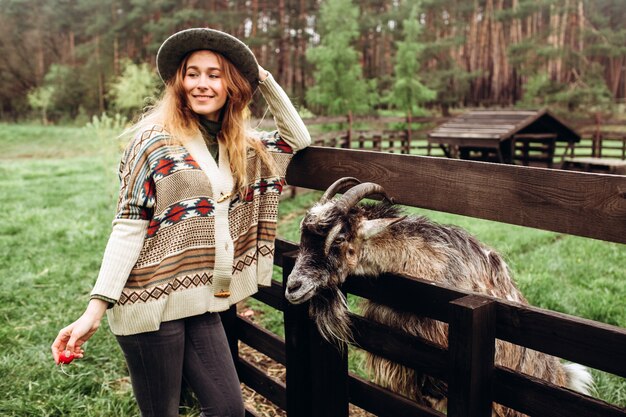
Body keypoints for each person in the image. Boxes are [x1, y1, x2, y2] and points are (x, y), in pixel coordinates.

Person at [51, 28, 311, 417]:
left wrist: (263, 77)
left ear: (232, 85)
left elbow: (297, 139)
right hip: (148, 302)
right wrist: (95, 308)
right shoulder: (152, 140)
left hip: (200, 301)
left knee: (227, 410)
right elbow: (129, 224)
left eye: (214, 74)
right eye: (192, 73)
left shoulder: (239, 144)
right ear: (179, 81)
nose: (201, 84)